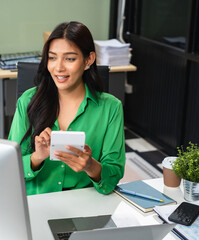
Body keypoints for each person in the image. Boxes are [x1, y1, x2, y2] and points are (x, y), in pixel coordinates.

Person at [8, 21, 125, 195]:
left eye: (70, 58)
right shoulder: (28, 101)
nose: (59, 67)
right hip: (36, 204)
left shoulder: (111, 107)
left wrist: (90, 166)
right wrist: (37, 157)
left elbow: (113, 175)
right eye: (52, 57)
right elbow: (10, 169)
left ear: (89, 60)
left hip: (84, 204)